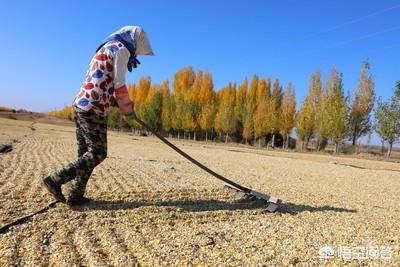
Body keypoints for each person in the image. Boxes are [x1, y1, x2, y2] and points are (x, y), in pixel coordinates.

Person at [43, 26, 154, 205]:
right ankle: (55, 179)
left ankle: (75, 196)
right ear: (136, 41)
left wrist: (119, 104)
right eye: (139, 50)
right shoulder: (121, 49)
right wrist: (127, 109)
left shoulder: (106, 47)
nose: (138, 54)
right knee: (98, 152)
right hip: (93, 107)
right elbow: (119, 84)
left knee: (85, 154)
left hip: (81, 103)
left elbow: (100, 82)